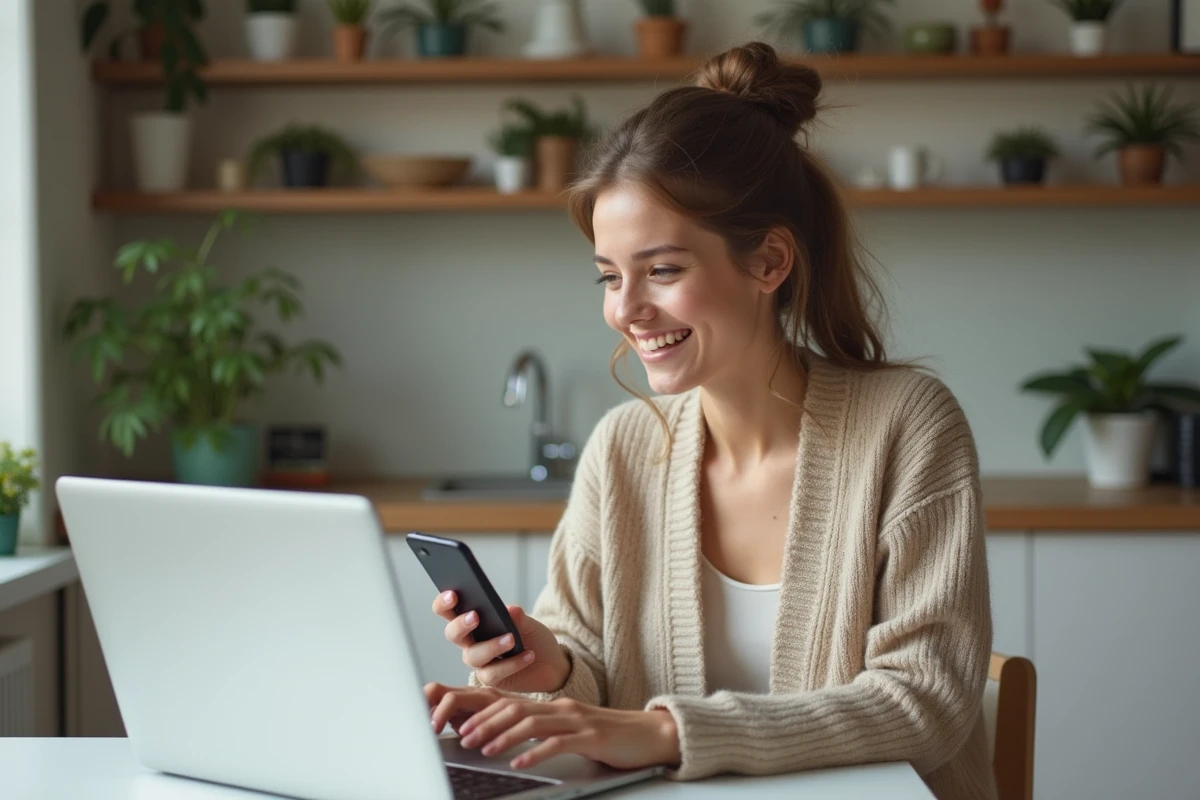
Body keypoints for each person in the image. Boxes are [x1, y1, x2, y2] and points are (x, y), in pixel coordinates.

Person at [425, 41, 996, 800]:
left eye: (662, 270)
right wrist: (547, 670)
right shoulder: (622, 450)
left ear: (769, 263)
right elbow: (588, 674)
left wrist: (667, 732)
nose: (625, 310)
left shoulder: (907, 426)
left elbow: (925, 701)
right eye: (608, 276)